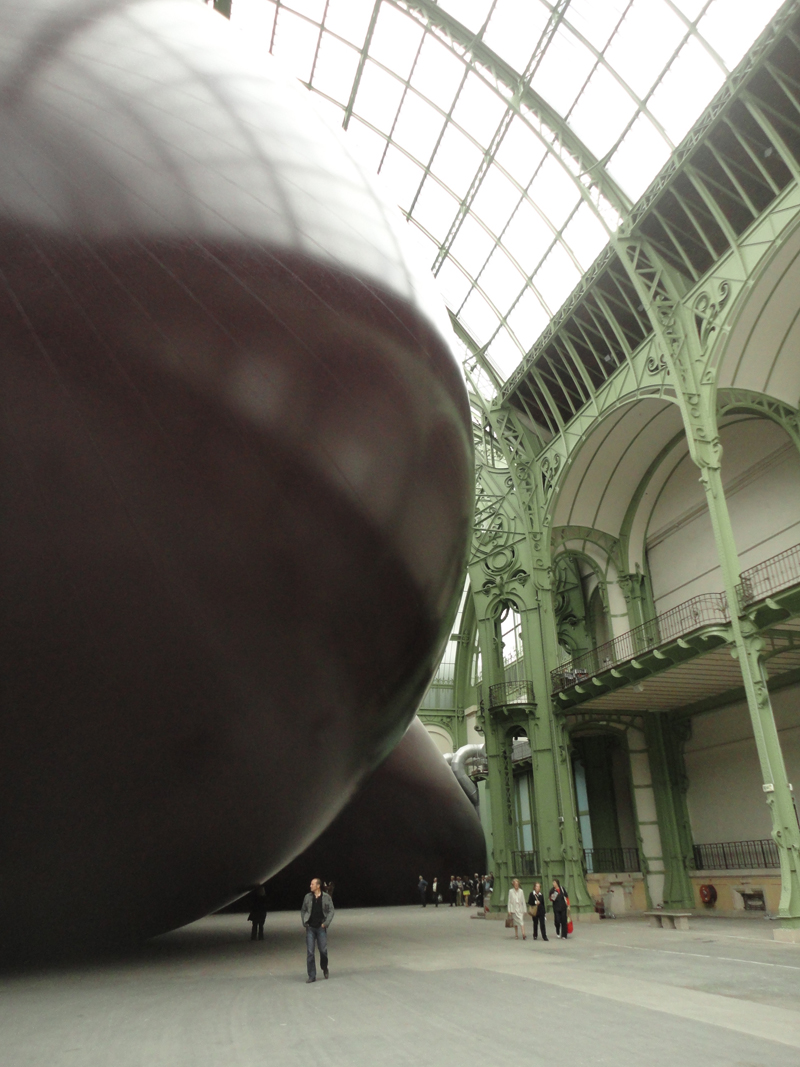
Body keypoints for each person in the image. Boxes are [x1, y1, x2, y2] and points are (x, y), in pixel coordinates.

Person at [301, 877, 334, 982]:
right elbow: (303, 910)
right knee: (310, 952)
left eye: (312, 884)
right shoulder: (307, 897)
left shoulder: (326, 897)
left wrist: (325, 924)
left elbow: (331, 911)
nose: (310, 886)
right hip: (310, 928)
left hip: (321, 928)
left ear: (318, 886)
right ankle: (312, 975)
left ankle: (324, 967)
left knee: (323, 950)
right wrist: (305, 922)